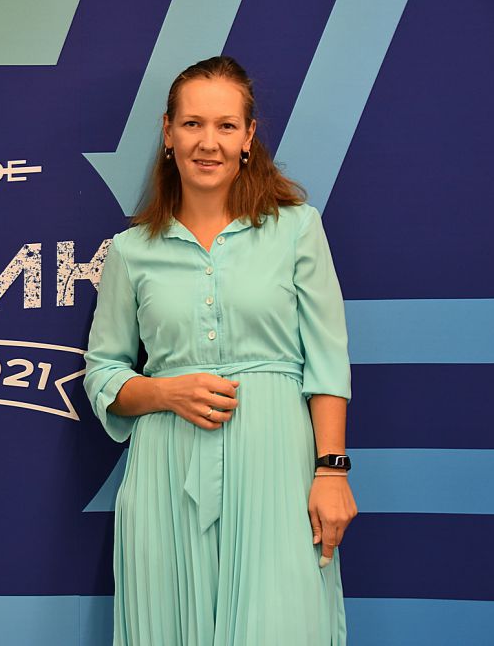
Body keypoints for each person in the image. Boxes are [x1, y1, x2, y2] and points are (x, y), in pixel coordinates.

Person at [83, 55, 358, 645]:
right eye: (192, 124)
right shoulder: (131, 251)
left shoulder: (296, 228)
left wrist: (331, 471)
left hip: (278, 467)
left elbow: (328, 360)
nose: (208, 142)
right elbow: (102, 371)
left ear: (248, 137)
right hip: (166, 472)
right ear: (168, 133)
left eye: (226, 126)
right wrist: (164, 392)